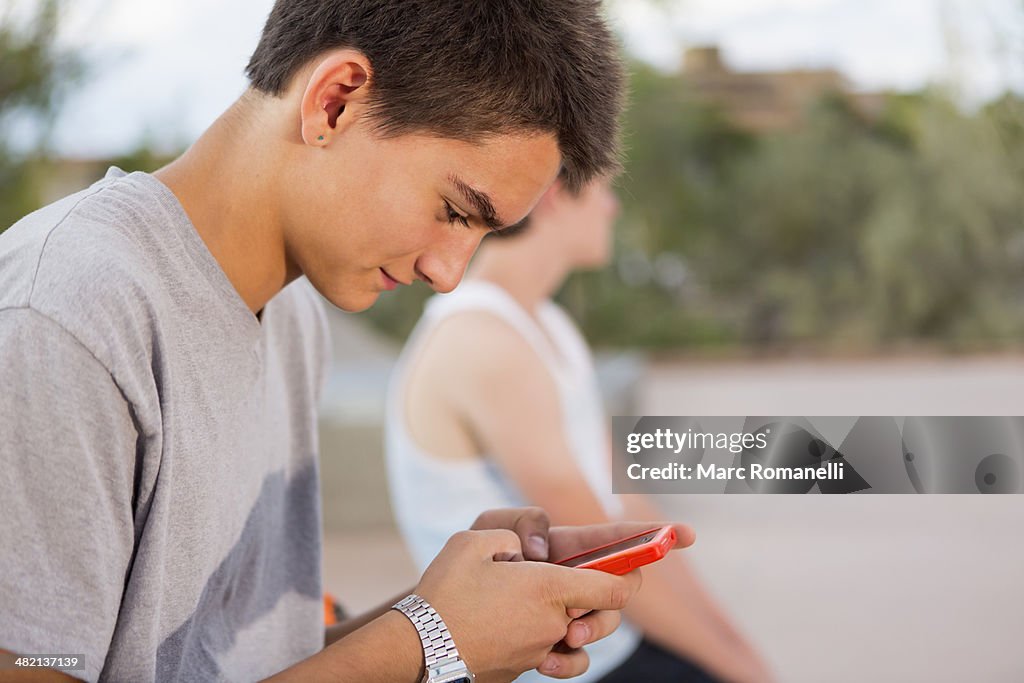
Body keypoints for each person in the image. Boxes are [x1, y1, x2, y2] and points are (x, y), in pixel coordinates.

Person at [0, 2, 698, 682]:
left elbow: (225, 659)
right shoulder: (70, 314)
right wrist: (430, 640)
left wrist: (452, 619)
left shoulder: (294, 314)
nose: (449, 274)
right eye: (454, 211)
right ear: (335, 101)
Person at [387, 178, 775, 683]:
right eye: (604, 190)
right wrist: (738, 668)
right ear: (554, 196)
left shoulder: (548, 326)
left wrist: (736, 648)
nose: (613, 207)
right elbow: (601, 546)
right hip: (550, 670)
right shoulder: (482, 341)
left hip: (607, 651)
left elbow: (628, 507)